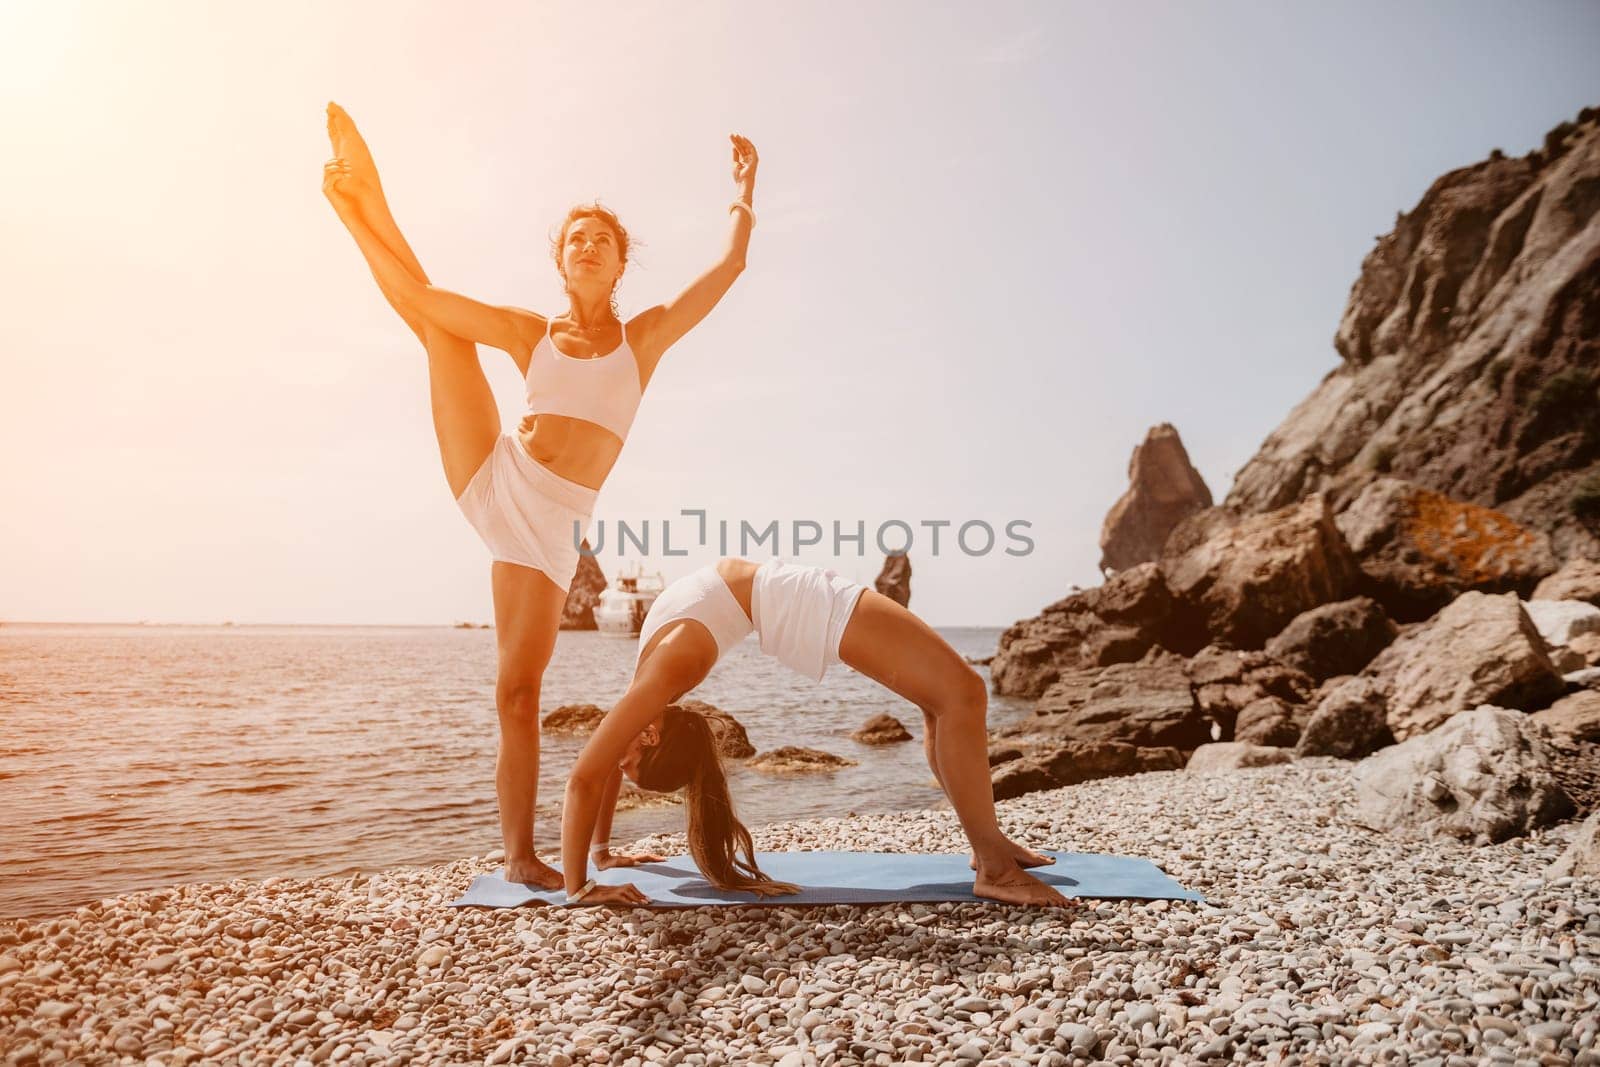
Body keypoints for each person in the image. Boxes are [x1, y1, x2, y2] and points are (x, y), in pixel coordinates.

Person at [321, 103, 760, 888]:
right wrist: (358, 219)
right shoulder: (530, 331)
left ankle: (529, 852)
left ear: (622, 264)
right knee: (435, 322)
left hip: (550, 524)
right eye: (575, 240)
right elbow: (421, 300)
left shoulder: (646, 338)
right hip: (498, 476)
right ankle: (360, 197)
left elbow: (727, 270)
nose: (588, 246)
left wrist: (743, 191)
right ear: (561, 262)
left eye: (604, 240)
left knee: (519, 692)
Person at [560, 558, 1073, 908]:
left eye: (627, 768)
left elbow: (586, 777)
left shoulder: (656, 682)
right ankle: (994, 866)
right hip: (796, 601)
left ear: (649, 739)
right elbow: (596, 772)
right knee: (962, 695)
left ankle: (990, 845)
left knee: (947, 701)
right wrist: (591, 866)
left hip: (794, 599)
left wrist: (586, 875)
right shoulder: (658, 688)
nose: (615, 763)